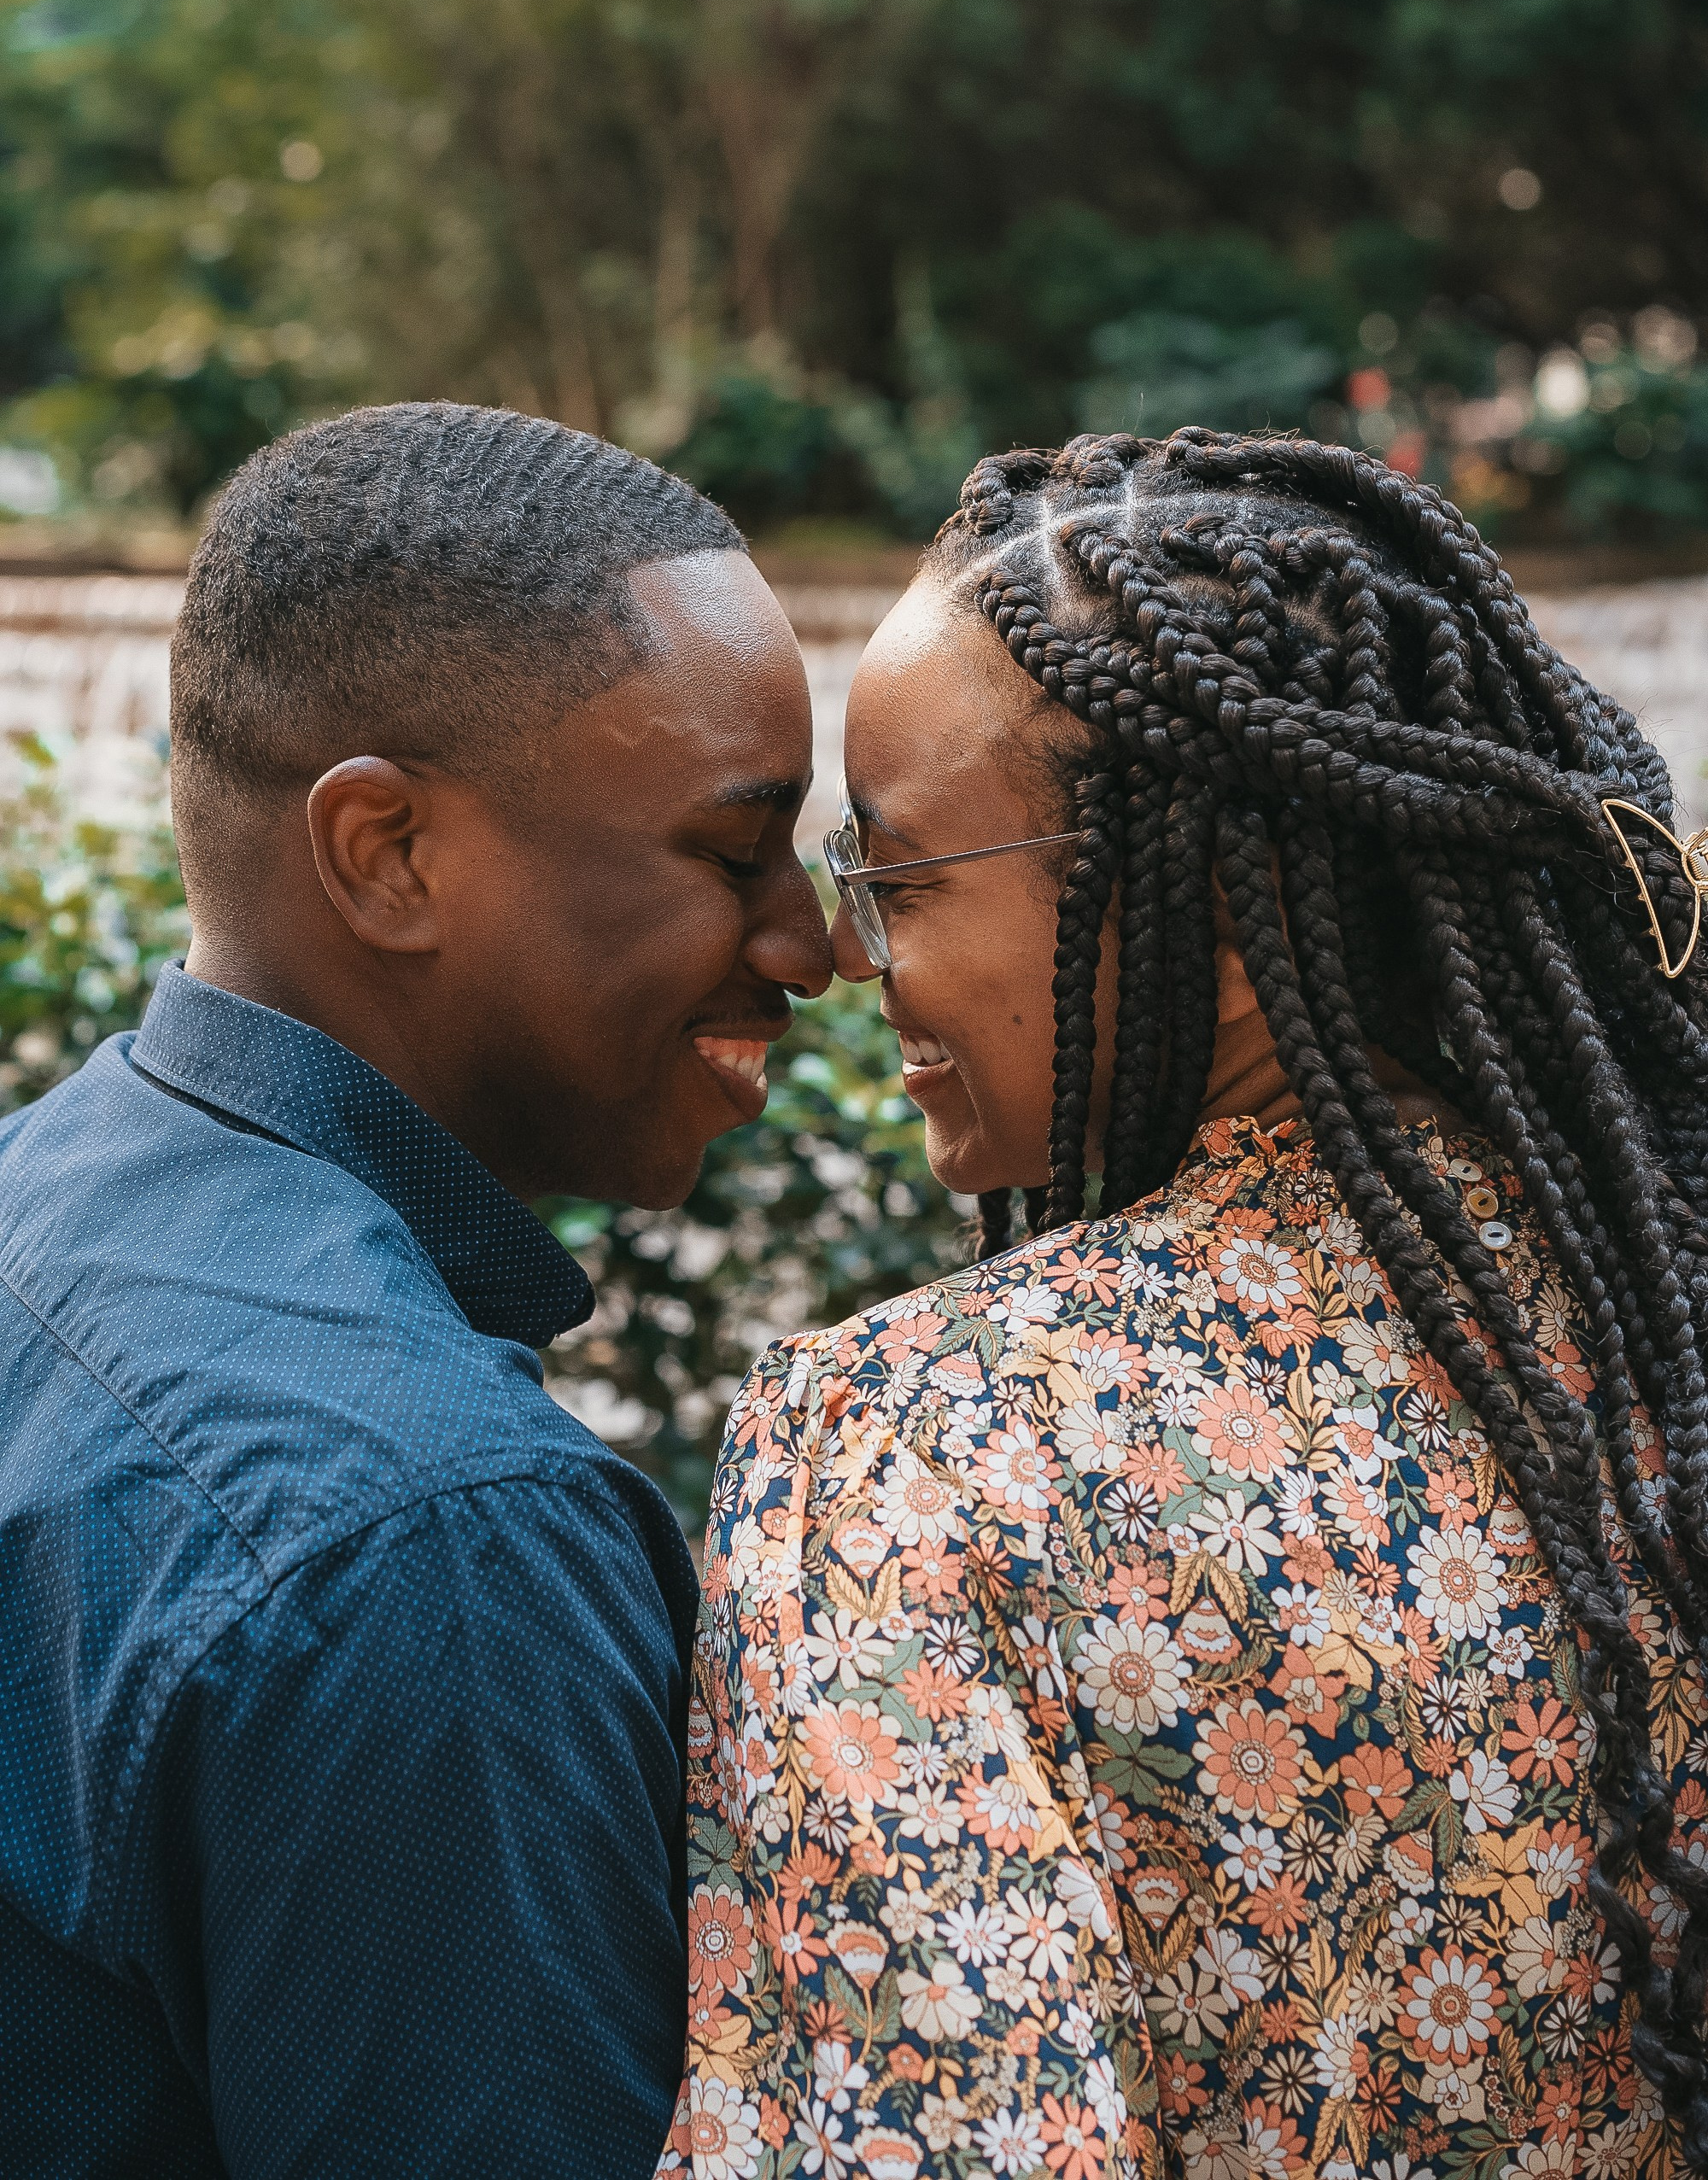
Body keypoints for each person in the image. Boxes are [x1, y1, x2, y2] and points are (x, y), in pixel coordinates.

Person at [664, 429, 1708, 2180]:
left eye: (899, 875)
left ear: (1203, 908)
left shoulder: (921, 1457)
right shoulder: (1648, 1306)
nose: (849, 954)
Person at [0, 402, 832, 2178]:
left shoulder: (41, 1195)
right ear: (387, 854)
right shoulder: (435, 1537)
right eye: (731, 853)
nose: (810, 951)